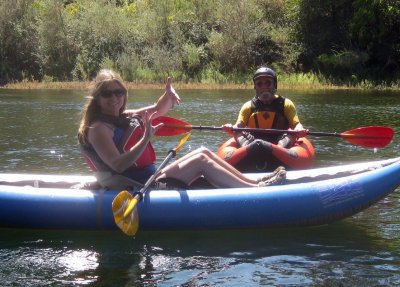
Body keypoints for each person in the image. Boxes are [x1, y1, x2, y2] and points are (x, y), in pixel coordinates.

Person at [77, 69, 281, 191]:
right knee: (201, 161)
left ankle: (254, 181)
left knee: (203, 151)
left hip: (147, 175)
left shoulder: (122, 117)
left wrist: (168, 96)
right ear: (98, 97)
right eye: (107, 93)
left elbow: (157, 110)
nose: (114, 98)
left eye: (118, 92)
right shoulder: (98, 128)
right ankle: (255, 190)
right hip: (135, 184)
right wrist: (145, 138)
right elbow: (118, 166)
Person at [221, 65, 308, 172]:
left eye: (268, 82)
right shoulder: (248, 106)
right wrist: (231, 128)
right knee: (238, 132)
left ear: (274, 85)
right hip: (252, 143)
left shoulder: (286, 104)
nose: (264, 87)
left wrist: (300, 129)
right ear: (255, 87)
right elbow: (238, 127)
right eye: (259, 83)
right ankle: (249, 150)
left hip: (280, 143)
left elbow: (296, 125)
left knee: (292, 133)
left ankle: (277, 152)